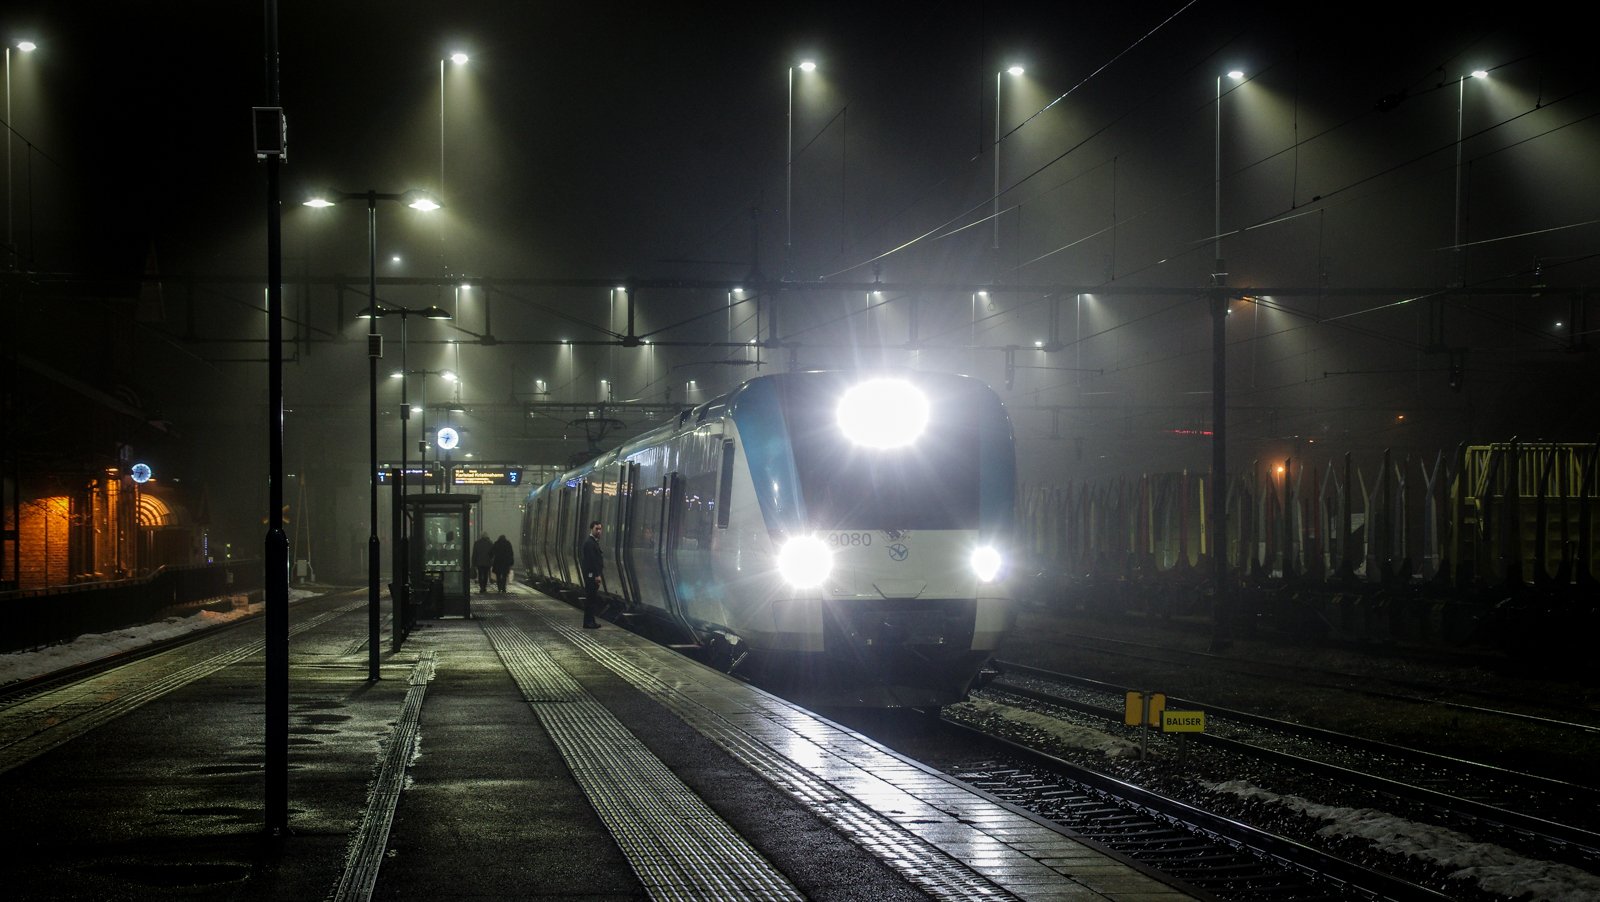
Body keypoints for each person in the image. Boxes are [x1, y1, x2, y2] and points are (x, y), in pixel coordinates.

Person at [581, 520, 604, 628]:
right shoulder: (590, 543)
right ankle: (588, 622)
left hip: (592, 575)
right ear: (592, 529)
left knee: (592, 599)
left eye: (600, 529)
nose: (599, 531)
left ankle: (591, 621)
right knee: (590, 599)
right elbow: (592, 561)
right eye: (597, 529)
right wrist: (596, 575)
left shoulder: (593, 542)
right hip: (591, 575)